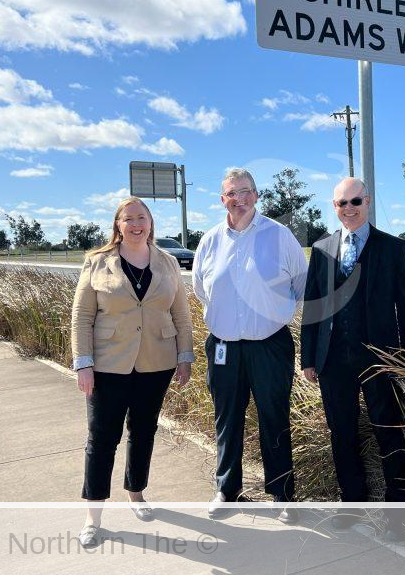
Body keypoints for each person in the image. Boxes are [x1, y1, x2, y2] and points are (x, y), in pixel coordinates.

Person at [70, 196, 194, 546]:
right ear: (118, 225)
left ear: (151, 223)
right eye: (129, 219)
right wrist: (84, 364)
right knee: (102, 439)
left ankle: (136, 492)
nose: (136, 224)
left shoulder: (168, 262)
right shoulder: (97, 262)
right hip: (108, 365)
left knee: (143, 431)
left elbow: (182, 316)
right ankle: (93, 515)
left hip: (156, 362)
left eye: (142, 217)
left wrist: (185, 356)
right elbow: (82, 318)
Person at [300, 177, 405, 538]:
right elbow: (313, 308)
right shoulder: (321, 250)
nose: (349, 209)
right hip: (334, 362)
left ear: (367, 201)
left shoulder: (392, 248)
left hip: (380, 360)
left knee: (390, 433)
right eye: (341, 204)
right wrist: (308, 358)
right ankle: (351, 502)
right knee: (342, 433)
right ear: (333, 207)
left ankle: (400, 513)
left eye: (355, 202)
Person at [192, 167, 307, 523]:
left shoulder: (279, 235)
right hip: (224, 347)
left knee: (274, 417)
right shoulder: (210, 240)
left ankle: (282, 494)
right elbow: (200, 289)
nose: (239, 199)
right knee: (227, 419)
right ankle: (227, 489)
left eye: (245, 192)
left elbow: (301, 285)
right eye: (231, 193)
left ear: (256, 196)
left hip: (269, 345)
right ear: (221, 200)